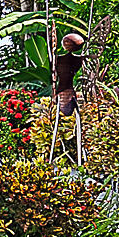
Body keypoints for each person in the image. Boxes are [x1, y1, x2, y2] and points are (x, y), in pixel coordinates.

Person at [51, 30, 88, 162]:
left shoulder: (58, 59)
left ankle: (78, 159)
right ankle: (79, 159)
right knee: (73, 121)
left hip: (64, 92)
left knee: (65, 122)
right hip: (65, 92)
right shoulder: (78, 60)